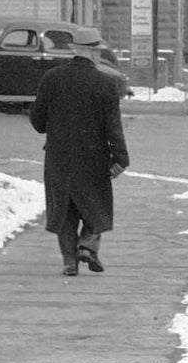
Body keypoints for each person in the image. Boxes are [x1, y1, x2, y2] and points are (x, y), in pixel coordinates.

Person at [29, 54, 130, 276]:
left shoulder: (52, 78)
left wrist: (57, 123)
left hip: (59, 157)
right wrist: (121, 157)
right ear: (93, 55)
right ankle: (87, 245)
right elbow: (113, 126)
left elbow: (37, 121)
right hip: (94, 157)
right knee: (96, 205)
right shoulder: (105, 83)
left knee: (64, 210)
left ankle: (69, 262)